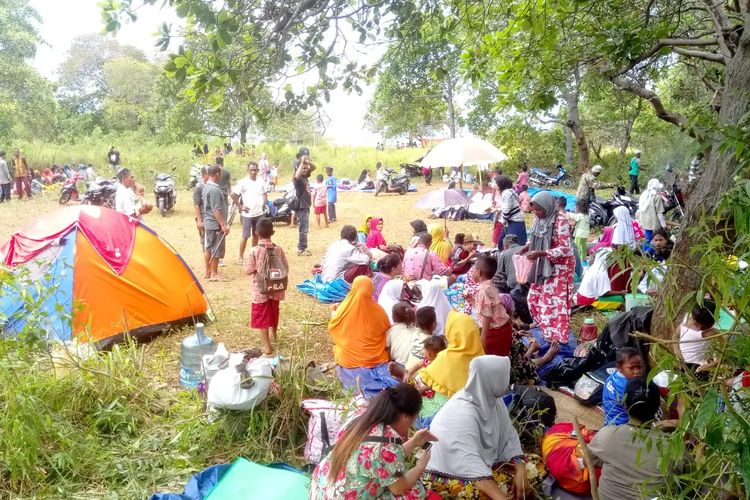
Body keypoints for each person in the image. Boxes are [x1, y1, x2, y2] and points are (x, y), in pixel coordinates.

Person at [424, 356, 542, 499]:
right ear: (493, 379)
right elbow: (468, 464)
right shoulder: (460, 412)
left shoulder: (492, 400)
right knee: (478, 494)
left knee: (535, 465)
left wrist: (520, 467)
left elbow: (508, 435)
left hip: (483, 470)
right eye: (504, 375)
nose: (508, 380)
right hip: (450, 478)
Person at [309, 384, 436, 499]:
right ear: (405, 416)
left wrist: (414, 441)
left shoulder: (364, 417)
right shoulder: (387, 444)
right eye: (414, 418)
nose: (411, 424)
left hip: (321, 489)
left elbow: (384, 458)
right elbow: (398, 488)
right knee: (414, 491)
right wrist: (420, 467)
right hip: (343, 495)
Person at [589, 377, 675, 500]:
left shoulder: (606, 435)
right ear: (657, 409)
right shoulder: (673, 447)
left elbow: (591, 460)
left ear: (624, 405)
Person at [328, 276, 397, 396]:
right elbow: (387, 331)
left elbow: (333, 327)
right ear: (371, 290)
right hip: (376, 359)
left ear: (353, 288)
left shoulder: (343, 310)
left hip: (349, 361)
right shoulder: (379, 311)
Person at [521, 192, 575, 343]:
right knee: (533, 298)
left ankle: (558, 338)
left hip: (560, 267)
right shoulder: (538, 220)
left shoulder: (560, 221)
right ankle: (544, 329)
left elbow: (566, 249)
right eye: (534, 210)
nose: (537, 213)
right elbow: (534, 239)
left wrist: (542, 252)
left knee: (554, 304)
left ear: (548, 206)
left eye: (539, 210)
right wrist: (525, 249)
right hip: (543, 265)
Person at [414, 312, 485, 422]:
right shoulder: (482, 356)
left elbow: (426, 377)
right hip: (475, 410)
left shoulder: (445, 357)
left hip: (448, 409)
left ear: (452, 332)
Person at [244, 218, 288, 357]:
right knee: (274, 310)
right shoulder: (278, 249)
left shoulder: (254, 251)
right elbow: (285, 267)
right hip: (276, 286)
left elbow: (248, 270)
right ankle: (275, 334)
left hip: (260, 289)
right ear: (272, 232)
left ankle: (267, 346)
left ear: (256, 233)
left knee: (262, 315)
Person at [231, 161, 267, 262]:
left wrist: (264, 203)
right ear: (248, 170)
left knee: (256, 235)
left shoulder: (261, 181)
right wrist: (240, 206)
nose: (253, 172)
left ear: (258, 171)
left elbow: (265, 193)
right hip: (247, 214)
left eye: (255, 170)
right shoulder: (243, 182)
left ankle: (253, 255)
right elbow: (233, 194)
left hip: (259, 213)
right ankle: (240, 257)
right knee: (245, 236)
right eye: (251, 170)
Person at [202, 166, 230, 281]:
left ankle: (208, 272)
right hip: (214, 224)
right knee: (215, 248)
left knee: (208, 248)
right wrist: (223, 225)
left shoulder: (206, 187)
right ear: (218, 174)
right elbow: (216, 210)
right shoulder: (215, 190)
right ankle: (214, 273)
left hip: (208, 223)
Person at [603, 347, 644, 425]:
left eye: (639, 367)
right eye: (631, 368)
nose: (637, 371)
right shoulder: (628, 387)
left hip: (609, 421)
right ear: (619, 368)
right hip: (623, 426)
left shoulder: (612, 376)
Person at [677, 300, 718, 374]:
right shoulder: (687, 318)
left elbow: (725, 353)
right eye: (695, 323)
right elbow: (675, 337)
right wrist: (679, 357)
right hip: (682, 364)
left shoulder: (712, 332)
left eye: (704, 326)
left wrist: (711, 365)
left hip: (699, 368)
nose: (694, 323)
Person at [293, 147, 315, 256]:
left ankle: (303, 247)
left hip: (306, 206)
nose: (306, 170)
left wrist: (306, 162)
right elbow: (297, 175)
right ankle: (301, 248)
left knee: (305, 228)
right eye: (304, 168)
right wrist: (301, 162)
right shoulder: (298, 179)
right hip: (302, 206)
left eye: (307, 169)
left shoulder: (305, 178)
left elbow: (313, 168)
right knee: (303, 228)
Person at [496, 175, 528, 246]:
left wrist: (503, 220)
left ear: (501, 184)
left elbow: (506, 211)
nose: (495, 185)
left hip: (515, 222)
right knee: (502, 242)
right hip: (512, 221)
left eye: (496, 183)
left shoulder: (506, 194)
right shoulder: (509, 191)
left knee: (513, 245)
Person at [638, 178, 666, 243]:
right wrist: (663, 225)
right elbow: (659, 213)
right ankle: (649, 252)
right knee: (655, 239)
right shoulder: (657, 197)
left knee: (647, 237)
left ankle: (644, 251)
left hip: (644, 220)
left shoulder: (644, 195)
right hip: (654, 221)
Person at [566, 198, 591, 263]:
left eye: (575, 207)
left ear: (579, 208)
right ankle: (584, 259)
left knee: (577, 247)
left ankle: (579, 260)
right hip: (585, 235)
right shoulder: (586, 216)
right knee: (583, 247)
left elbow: (573, 220)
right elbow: (574, 222)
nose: (575, 208)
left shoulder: (579, 216)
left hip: (580, 234)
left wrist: (568, 216)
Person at [192, 166, 209, 249]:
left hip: (211, 217)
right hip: (203, 216)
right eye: (208, 173)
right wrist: (199, 220)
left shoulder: (212, 185)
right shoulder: (199, 187)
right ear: (203, 174)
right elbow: (196, 205)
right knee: (204, 239)